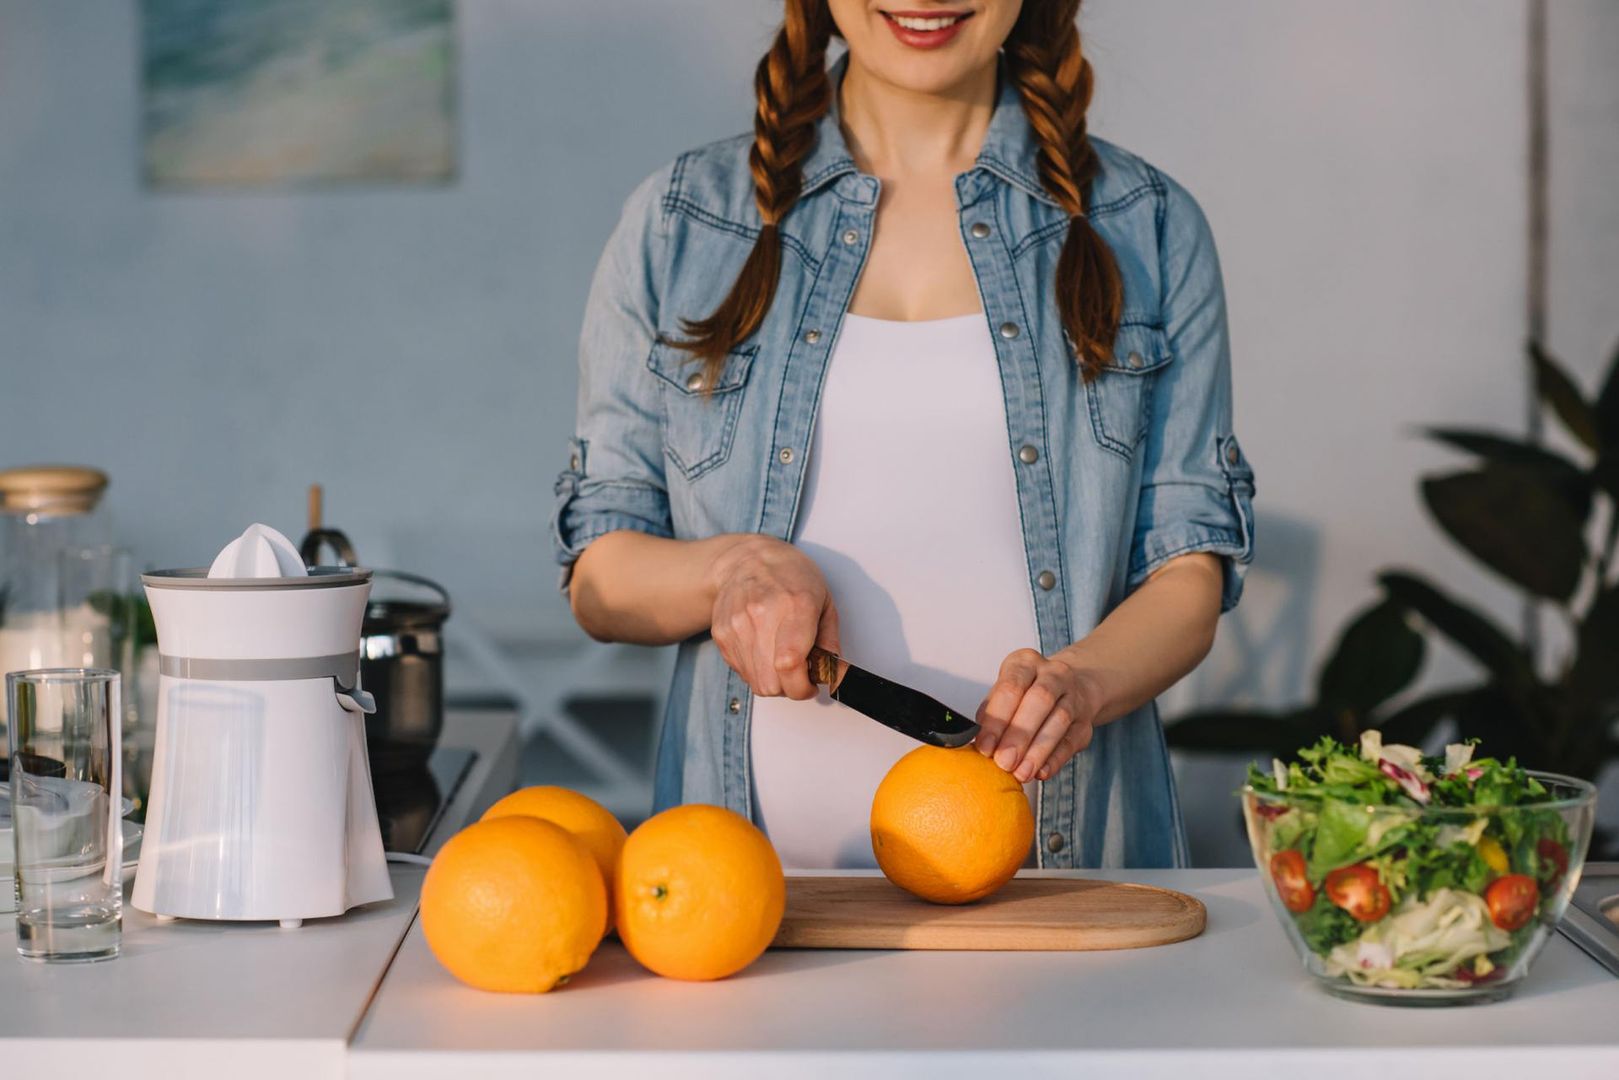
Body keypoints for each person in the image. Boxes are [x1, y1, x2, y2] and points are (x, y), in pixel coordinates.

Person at [552, 0, 1255, 869]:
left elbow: (1187, 573)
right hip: (740, 899)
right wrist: (729, 569)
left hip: (1067, 885)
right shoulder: (677, 222)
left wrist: (1083, 683)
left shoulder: (1148, 225)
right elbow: (601, 576)